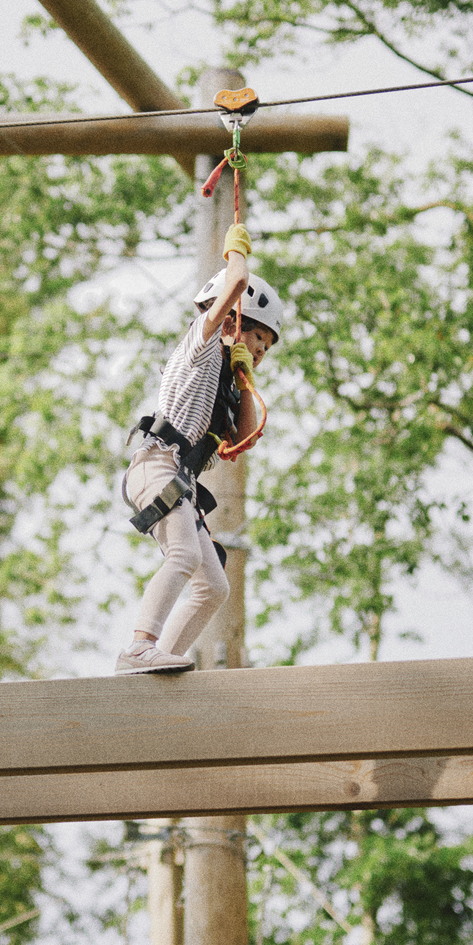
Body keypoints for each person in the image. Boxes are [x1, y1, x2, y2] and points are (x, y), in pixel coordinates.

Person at [115, 231, 282, 675]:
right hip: (157, 462)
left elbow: (244, 437)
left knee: (214, 587)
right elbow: (234, 284)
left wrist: (245, 379)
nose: (261, 350)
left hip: (178, 480)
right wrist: (236, 251)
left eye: (266, 347)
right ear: (231, 318)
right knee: (184, 555)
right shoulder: (201, 345)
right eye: (256, 336)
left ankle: (154, 666)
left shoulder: (226, 388)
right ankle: (138, 646)